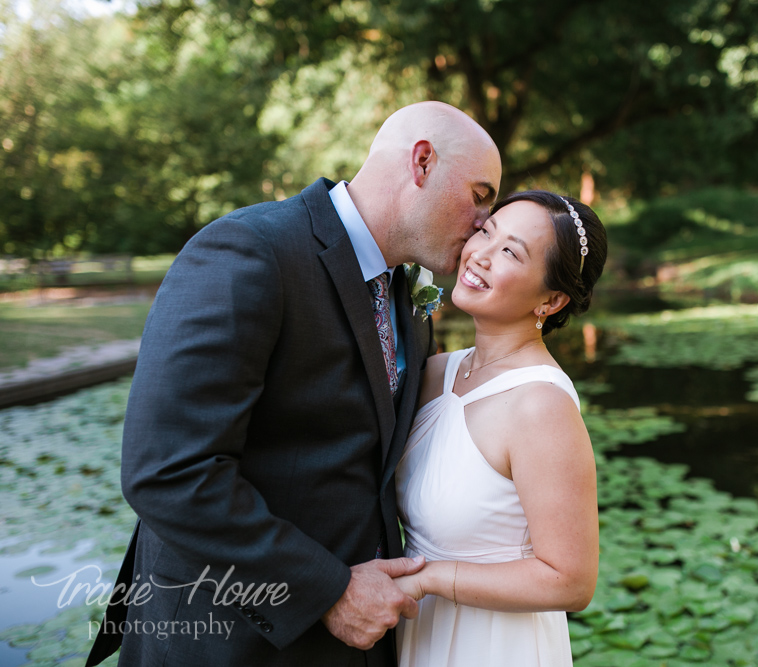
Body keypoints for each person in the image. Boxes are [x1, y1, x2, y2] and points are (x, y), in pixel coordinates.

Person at [85, 101, 502, 666]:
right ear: (422, 162)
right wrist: (328, 590)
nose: (485, 222)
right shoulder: (249, 251)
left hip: (361, 641)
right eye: (480, 195)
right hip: (232, 640)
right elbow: (168, 472)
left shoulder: (409, 296)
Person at [391, 190, 607, 666]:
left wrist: (431, 579)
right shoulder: (436, 372)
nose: (481, 255)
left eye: (511, 251)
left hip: (492, 644)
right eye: (487, 232)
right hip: (416, 633)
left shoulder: (539, 405)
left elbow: (571, 580)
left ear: (551, 300)